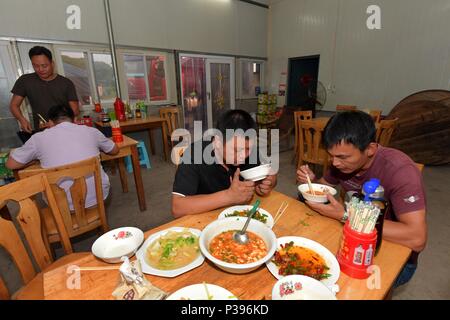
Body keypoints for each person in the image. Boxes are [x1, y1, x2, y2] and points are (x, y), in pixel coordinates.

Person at [296, 111, 427, 286]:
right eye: (331, 155)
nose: (334, 163)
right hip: (352, 240)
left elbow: (417, 238)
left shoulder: (400, 171)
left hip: (392, 254)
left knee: (336, 285)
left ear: (370, 149)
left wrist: (345, 216)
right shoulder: (342, 163)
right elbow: (323, 189)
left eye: (342, 157)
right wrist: (310, 183)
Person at [6, 104, 119, 209]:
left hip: (60, 207)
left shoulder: (38, 138)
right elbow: (114, 150)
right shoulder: (92, 131)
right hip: (99, 199)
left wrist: (35, 160)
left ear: (49, 122)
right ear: (75, 120)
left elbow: (11, 164)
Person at [172, 109, 277, 218]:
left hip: (236, 217)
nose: (243, 156)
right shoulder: (194, 154)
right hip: (201, 219)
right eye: (236, 150)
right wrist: (229, 196)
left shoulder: (249, 151)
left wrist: (267, 183)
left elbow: (270, 176)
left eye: (248, 149)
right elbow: (178, 208)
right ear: (217, 142)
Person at [10, 46, 80, 133]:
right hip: (41, 131)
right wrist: (21, 119)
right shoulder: (25, 81)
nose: (40, 69)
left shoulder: (66, 83)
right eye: (36, 66)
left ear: (52, 63)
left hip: (64, 130)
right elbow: (14, 105)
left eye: (44, 65)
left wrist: (56, 123)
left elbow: (75, 111)